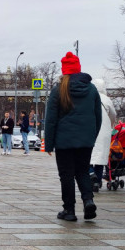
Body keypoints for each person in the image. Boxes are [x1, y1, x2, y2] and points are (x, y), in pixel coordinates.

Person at [44, 52, 102, 221]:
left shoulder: (58, 90)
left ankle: (69, 211)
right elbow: (97, 116)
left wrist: (49, 144)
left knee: (66, 175)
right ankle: (88, 201)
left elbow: (51, 120)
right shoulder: (91, 89)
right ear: (78, 69)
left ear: (64, 71)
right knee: (83, 172)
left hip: (64, 142)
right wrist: (92, 136)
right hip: (85, 141)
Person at [89, 79, 118, 189]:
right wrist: (111, 125)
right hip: (104, 131)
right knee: (101, 158)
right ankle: (97, 182)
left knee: (89, 156)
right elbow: (113, 115)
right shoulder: (106, 99)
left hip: (91, 130)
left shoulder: (89, 97)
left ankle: (91, 174)